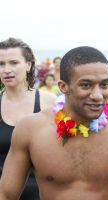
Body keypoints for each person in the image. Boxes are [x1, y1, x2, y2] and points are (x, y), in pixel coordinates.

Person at [0, 46, 108, 199]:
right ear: (63, 87)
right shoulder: (31, 130)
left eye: (104, 85)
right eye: (86, 85)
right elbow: (6, 194)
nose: (97, 95)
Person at [0, 37, 56, 199]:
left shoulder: (49, 102)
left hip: (41, 192)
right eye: (1, 64)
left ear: (28, 65)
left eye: (14, 62)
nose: (6, 70)